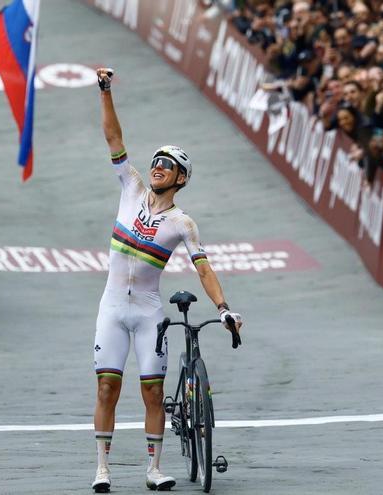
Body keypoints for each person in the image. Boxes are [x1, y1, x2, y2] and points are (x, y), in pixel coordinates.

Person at [91, 67, 243, 493]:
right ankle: (102, 468)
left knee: (153, 394)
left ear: (181, 179)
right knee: (107, 387)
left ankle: (154, 469)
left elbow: (204, 269)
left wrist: (224, 308)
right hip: (112, 309)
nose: (158, 166)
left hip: (147, 313)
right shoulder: (132, 187)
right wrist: (105, 92)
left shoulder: (182, 222)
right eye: (157, 160)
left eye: (169, 165)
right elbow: (114, 140)